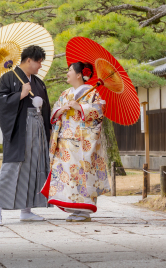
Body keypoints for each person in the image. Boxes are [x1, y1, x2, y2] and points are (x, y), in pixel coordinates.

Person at [0, 45, 52, 226]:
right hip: (20, 129)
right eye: (38, 61)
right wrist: (20, 95)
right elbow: (1, 101)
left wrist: (47, 126)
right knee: (12, 167)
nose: (40, 65)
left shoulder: (38, 82)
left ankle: (27, 211)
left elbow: (46, 107)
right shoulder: (8, 79)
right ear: (28, 60)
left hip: (38, 127)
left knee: (35, 166)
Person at [42, 61, 110, 222]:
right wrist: (61, 109)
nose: (67, 73)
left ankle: (84, 211)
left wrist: (81, 108)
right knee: (68, 176)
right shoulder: (65, 93)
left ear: (79, 75)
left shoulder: (92, 94)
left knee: (82, 175)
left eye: (70, 70)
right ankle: (74, 208)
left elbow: (99, 111)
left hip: (82, 144)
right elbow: (54, 111)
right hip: (65, 142)